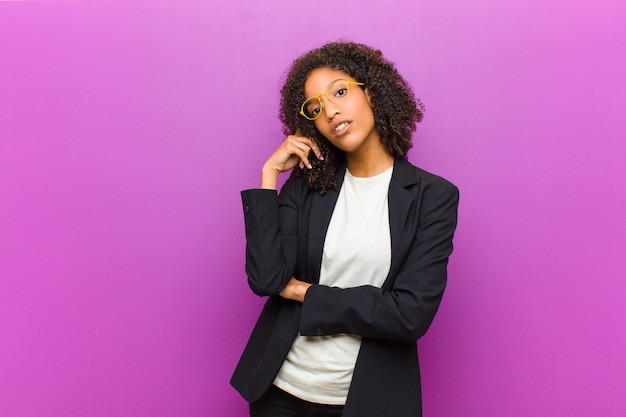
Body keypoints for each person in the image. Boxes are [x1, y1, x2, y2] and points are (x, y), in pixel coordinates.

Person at [231, 41, 459, 417]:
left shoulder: (432, 197)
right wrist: (268, 177)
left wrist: (305, 292)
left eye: (340, 92)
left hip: (364, 400)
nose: (331, 110)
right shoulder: (308, 185)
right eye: (316, 107)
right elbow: (267, 278)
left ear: (370, 91)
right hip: (280, 394)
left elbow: (409, 315)